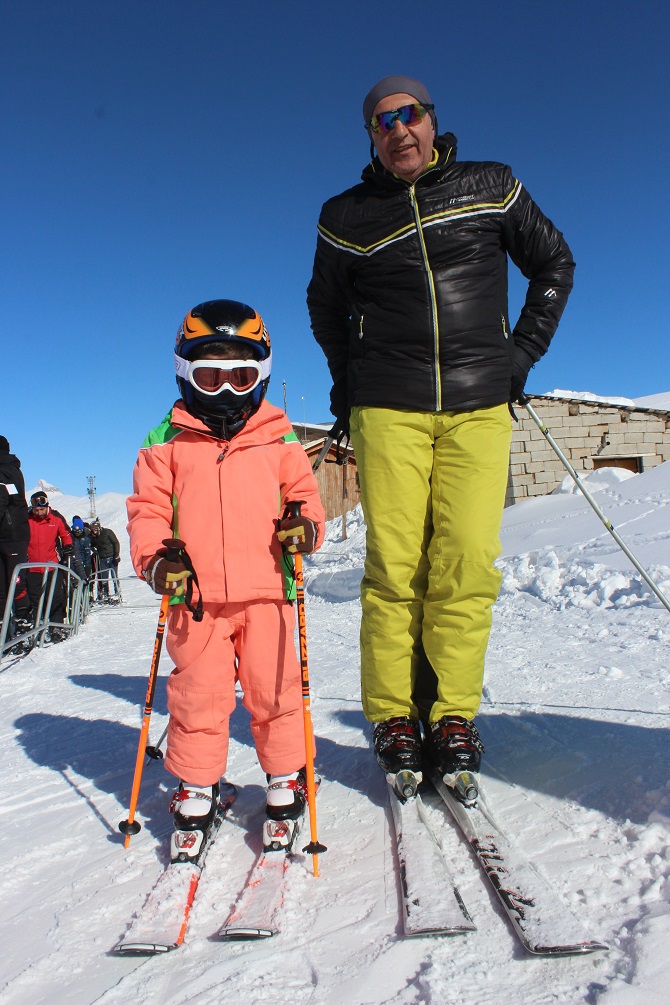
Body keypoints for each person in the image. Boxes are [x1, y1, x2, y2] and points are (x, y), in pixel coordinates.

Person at [307, 75, 575, 793]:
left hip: (479, 403)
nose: (399, 128)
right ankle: (395, 715)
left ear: (432, 120)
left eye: (410, 114)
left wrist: (521, 355)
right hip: (388, 405)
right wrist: (347, 374)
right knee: (396, 565)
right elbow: (323, 304)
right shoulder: (345, 216)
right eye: (382, 120)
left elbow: (554, 262)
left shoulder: (491, 185)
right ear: (371, 136)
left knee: (466, 559)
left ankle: (452, 713)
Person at [127, 299, 325, 861]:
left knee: (276, 690)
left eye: (240, 377)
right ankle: (195, 790)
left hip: (268, 594)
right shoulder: (165, 438)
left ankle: (285, 780)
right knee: (198, 698)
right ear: (184, 372)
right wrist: (156, 561)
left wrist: (304, 528)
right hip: (196, 600)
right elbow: (146, 512)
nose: (225, 392)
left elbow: (306, 500)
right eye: (209, 376)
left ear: (260, 375)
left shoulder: (280, 437)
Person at [26, 491, 74, 642]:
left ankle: (56, 626)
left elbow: (66, 534)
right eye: (36, 510)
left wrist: (68, 546)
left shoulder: (55, 518)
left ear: (46, 506)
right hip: (32, 567)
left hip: (52, 565)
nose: (38, 512)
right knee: (35, 598)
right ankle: (36, 627)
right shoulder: (27, 519)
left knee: (55, 597)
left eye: (41, 509)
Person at [0, 436, 31, 633]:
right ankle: (5, 626)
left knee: (15, 581)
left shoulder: (7, 470)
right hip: (7, 535)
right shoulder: (11, 468)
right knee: (3, 585)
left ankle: (22, 624)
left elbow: (2, 497)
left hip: (13, 535)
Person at [90, 519, 121, 601]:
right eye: (93, 530)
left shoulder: (107, 532)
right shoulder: (93, 537)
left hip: (112, 557)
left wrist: (116, 554)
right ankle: (105, 594)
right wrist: (94, 550)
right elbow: (91, 545)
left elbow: (115, 542)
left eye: (96, 530)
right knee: (104, 578)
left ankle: (118, 593)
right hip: (102, 559)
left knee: (114, 576)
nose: (94, 532)